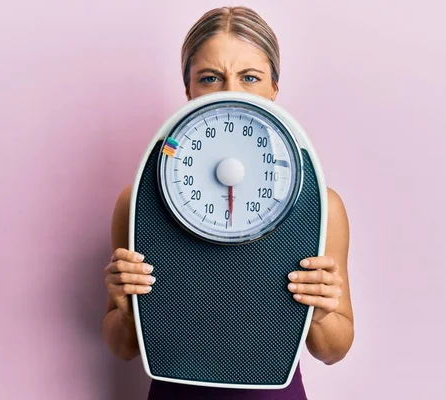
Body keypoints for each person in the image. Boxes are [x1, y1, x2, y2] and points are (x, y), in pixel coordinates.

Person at [102, 6, 354, 399]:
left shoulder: (321, 205)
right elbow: (123, 348)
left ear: (274, 88)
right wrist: (123, 305)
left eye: (250, 77)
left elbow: (333, 351)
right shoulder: (138, 200)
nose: (231, 93)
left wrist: (320, 311)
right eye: (210, 78)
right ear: (189, 91)